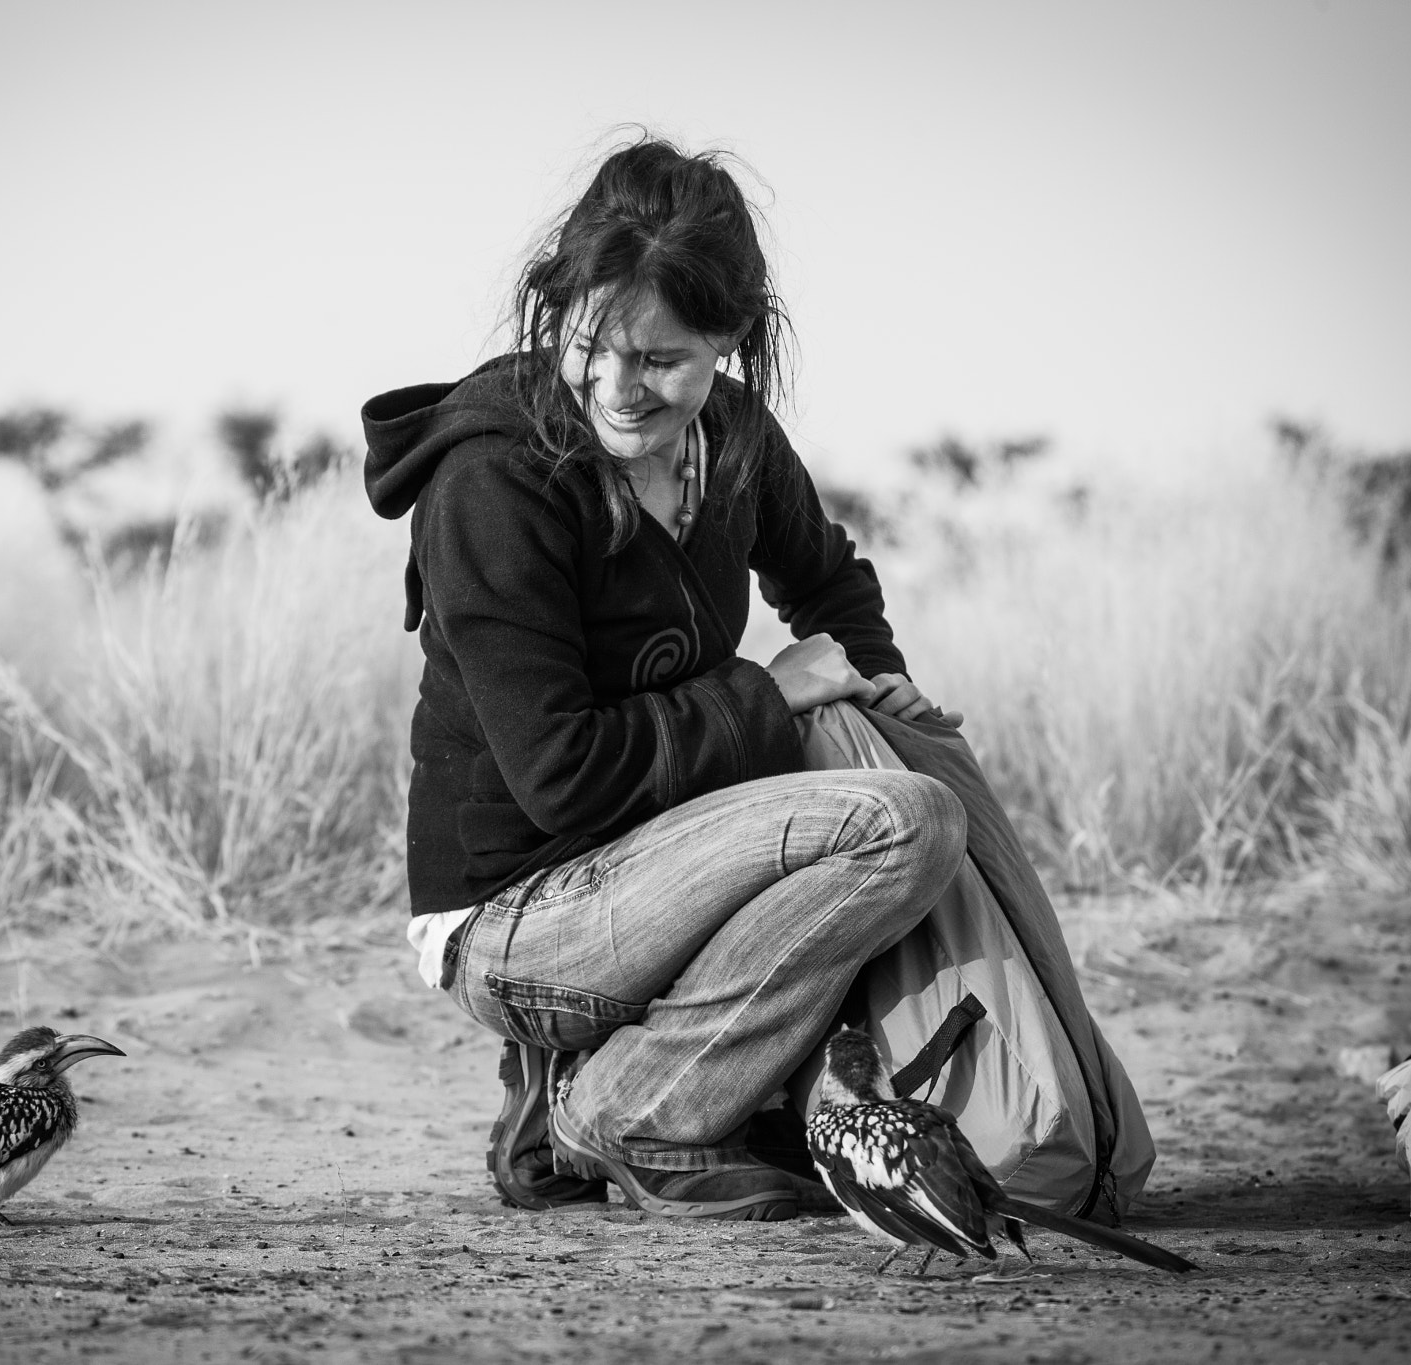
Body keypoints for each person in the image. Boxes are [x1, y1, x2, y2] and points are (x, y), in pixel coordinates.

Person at [361, 138, 968, 1222]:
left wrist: (876, 687)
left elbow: (826, 584)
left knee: (903, 783)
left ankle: (592, 1099)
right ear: (557, 310)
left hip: (650, 872)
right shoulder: (492, 484)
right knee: (898, 825)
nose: (615, 386)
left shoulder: (729, 439)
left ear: (729, 341)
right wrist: (769, 694)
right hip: (512, 917)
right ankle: (635, 1108)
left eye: (660, 361)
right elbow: (561, 777)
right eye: (591, 345)